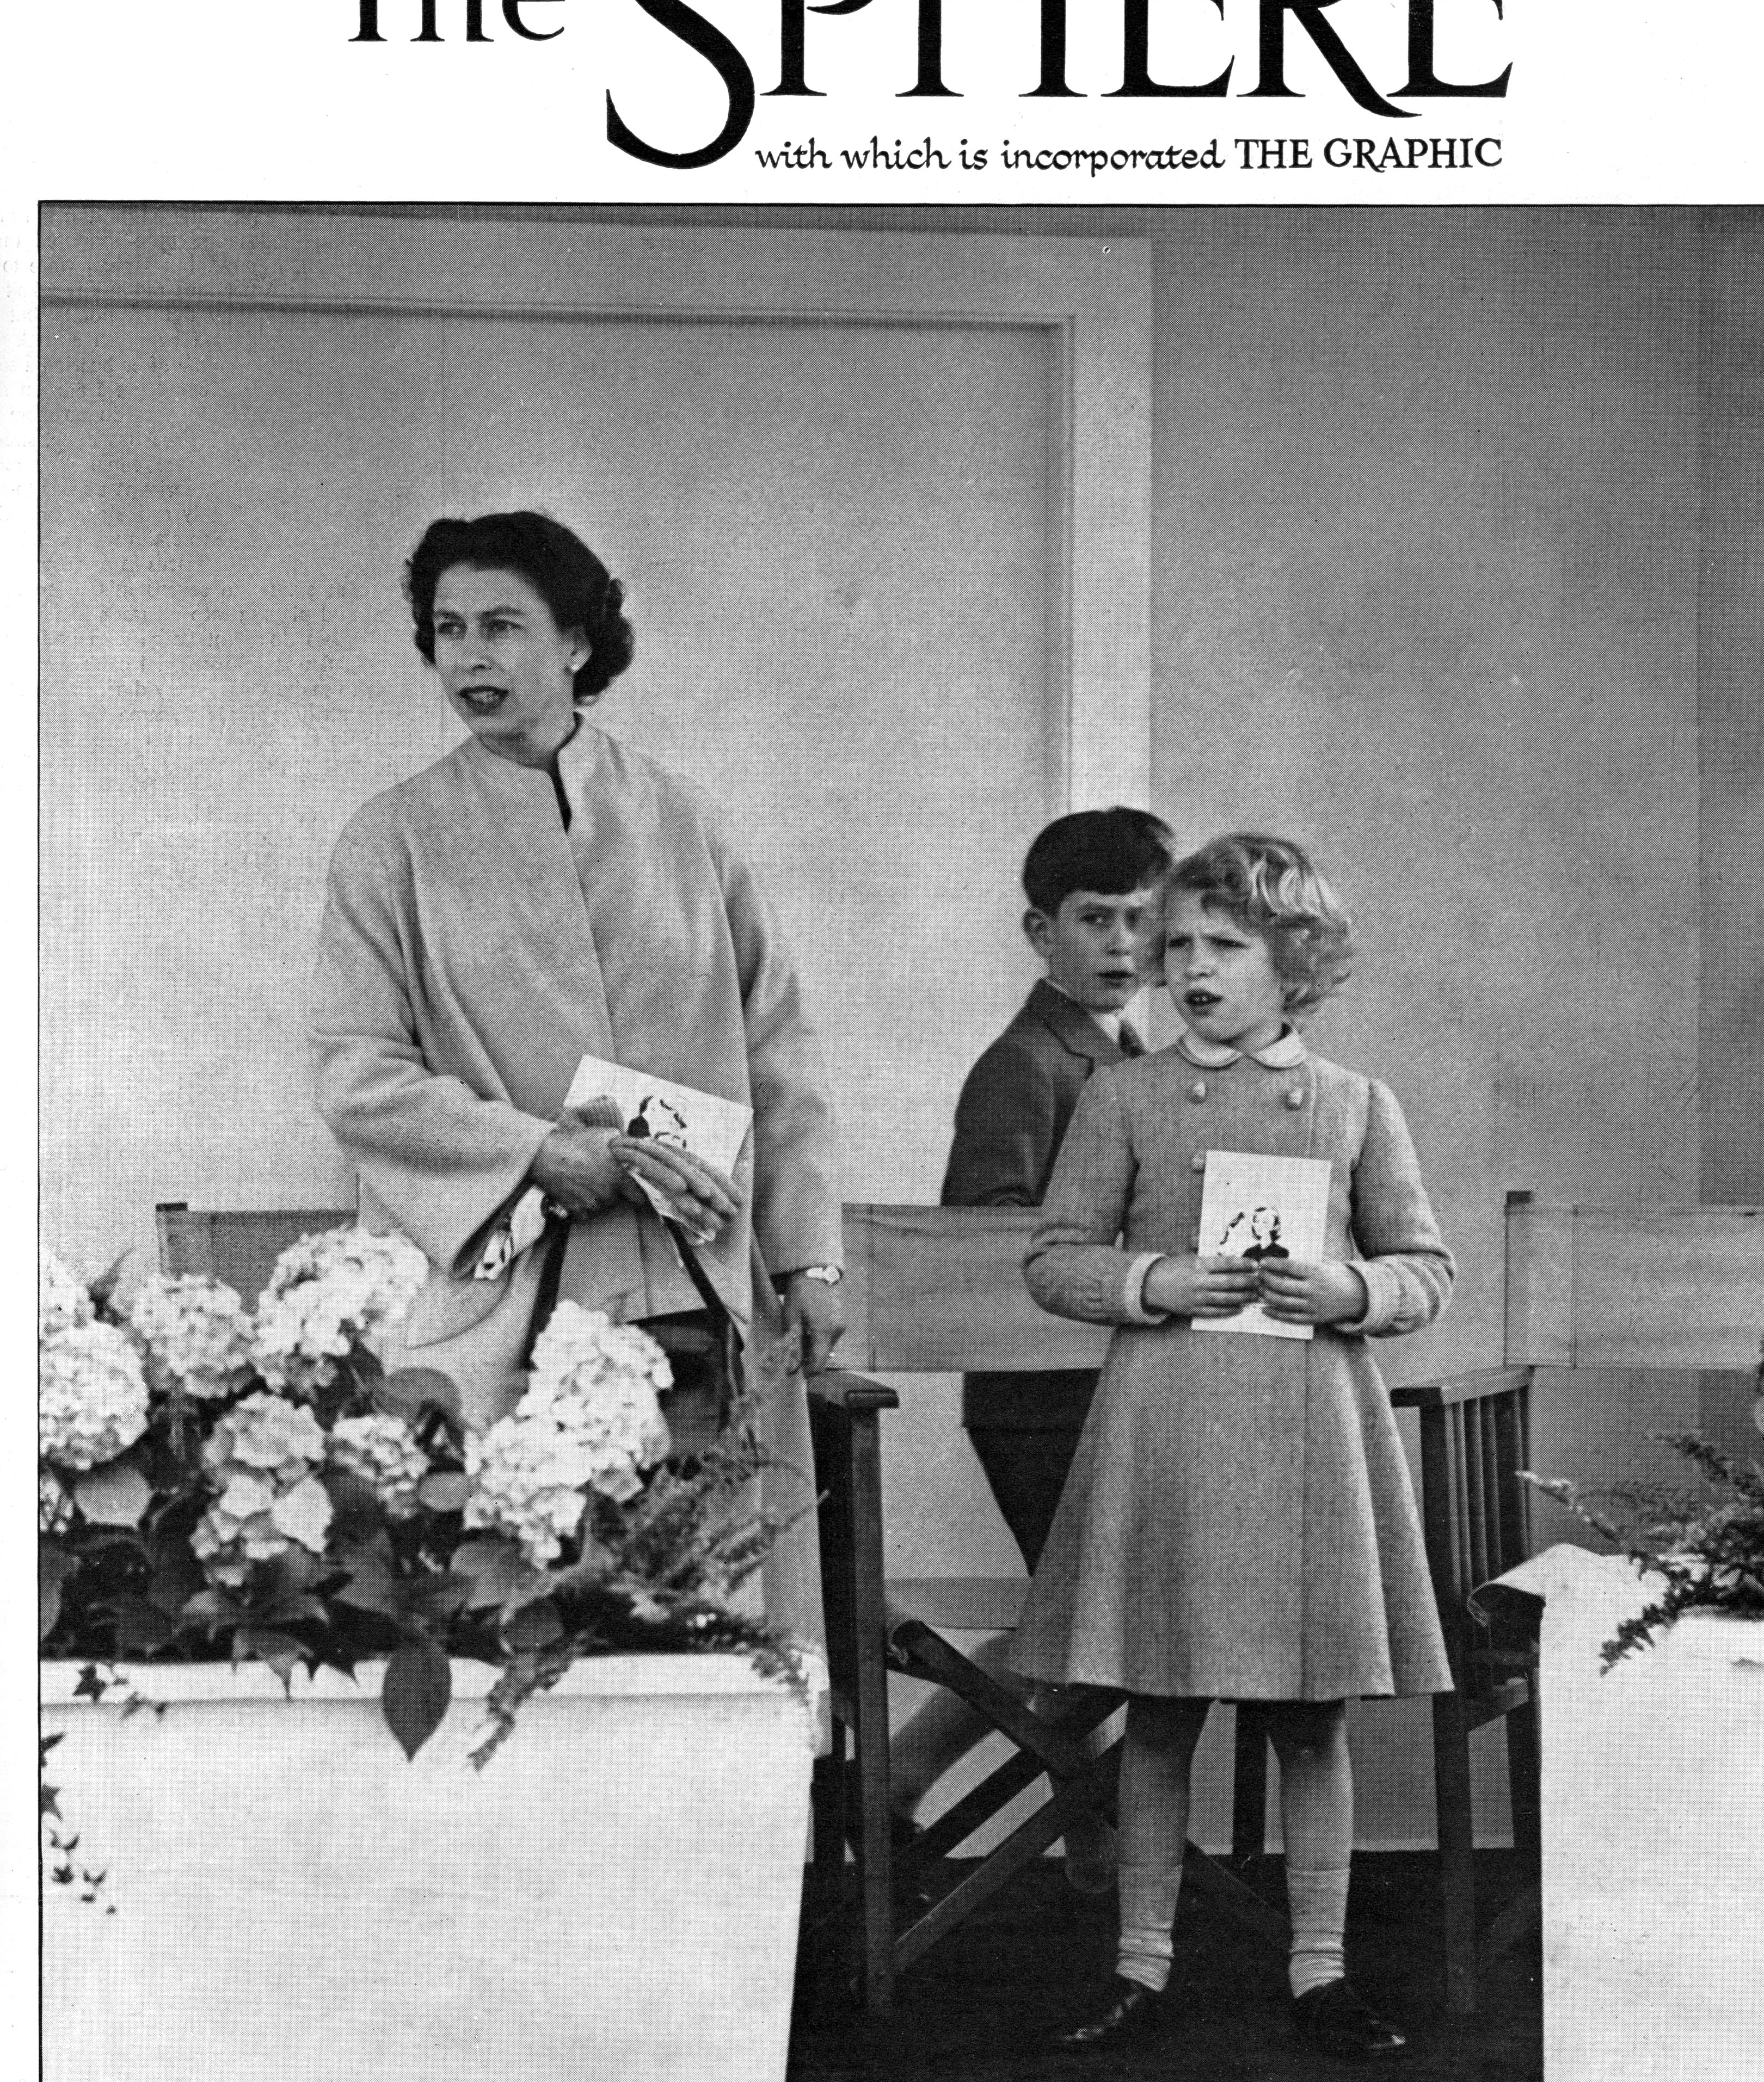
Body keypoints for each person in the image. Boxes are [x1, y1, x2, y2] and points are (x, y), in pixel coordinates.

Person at [309, 508, 845, 1644]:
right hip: (492, 1292)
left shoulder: (684, 822)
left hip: (687, 1290)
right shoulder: (390, 839)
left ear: (577, 644)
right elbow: (357, 1070)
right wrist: (535, 1152)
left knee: (693, 1609)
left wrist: (809, 1254)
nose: (467, 656)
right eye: (446, 628)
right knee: (504, 1618)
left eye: (502, 625)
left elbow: (778, 1049)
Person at [1011, 832, 1455, 2058]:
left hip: (1308, 1436)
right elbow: (1051, 1254)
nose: (1190, 967)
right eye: (1177, 946)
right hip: (1167, 1428)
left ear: (1295, 961)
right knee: (1158, 1705)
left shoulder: (1359, 1105)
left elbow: (1428, 1267)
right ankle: (1138, 1965)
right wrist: (1151, 1276)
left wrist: (1352, 1290)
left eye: (1226, 945)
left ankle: (1322, 1968)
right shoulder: (1123, 1095)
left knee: (1311, 1716)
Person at [884, 809, 1172, 1875]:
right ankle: (1082, 1835)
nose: (1118, 946)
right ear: (1037, 929)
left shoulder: (1125, 1050)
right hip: (1036, 1396)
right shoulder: (1024, 1063)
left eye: (1140, 921)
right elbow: (987, 1242)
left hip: (1097, 1389)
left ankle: (1079, 1839)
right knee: (1090, 1620)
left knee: (1084, 1621)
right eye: (1093, 919)